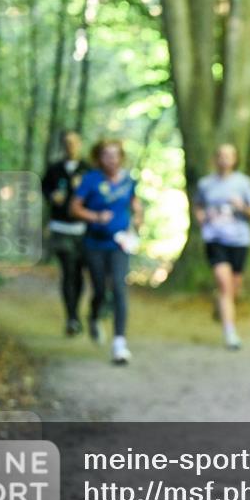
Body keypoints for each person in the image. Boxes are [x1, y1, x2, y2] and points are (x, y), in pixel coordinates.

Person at [69, 139, 143, 365]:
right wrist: (95, 217)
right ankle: (93, 317)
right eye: (106, 155)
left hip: (120, 244)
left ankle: (119, 343)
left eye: (115, 155)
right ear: (99, 158)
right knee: (99, 288)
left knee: (120, 288)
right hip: (94, 244)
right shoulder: (91, 180)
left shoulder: (129, 180)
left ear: (121, 156)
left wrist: (138, 220)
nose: (111, 159)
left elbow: (136, 206)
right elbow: (74, 208)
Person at [194, 143, 250, 350]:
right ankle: (230, 333)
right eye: (221, 155)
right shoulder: (206, 184)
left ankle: (220, 306)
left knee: (233, 289)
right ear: (215, 158)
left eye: (229, 155)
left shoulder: (243, 183)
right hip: (215, 238)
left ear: (235, 159)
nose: (224, 159)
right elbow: (198, 204)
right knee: (224, 284)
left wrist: (242, 207)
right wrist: (201, 217)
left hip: (239, 240)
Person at [41, 130, 90, 336]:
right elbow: (43, 189)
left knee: (79, 274)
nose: (71, 146)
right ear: (63, 145)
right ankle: (71, 317)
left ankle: (75, 314)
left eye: (74, 142)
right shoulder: (54, 169)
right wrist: (53, 197)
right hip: (60, 229)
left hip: (83, 230)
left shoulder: (88, 170)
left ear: (80, 144)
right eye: (67, 142)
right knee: (68, 271)